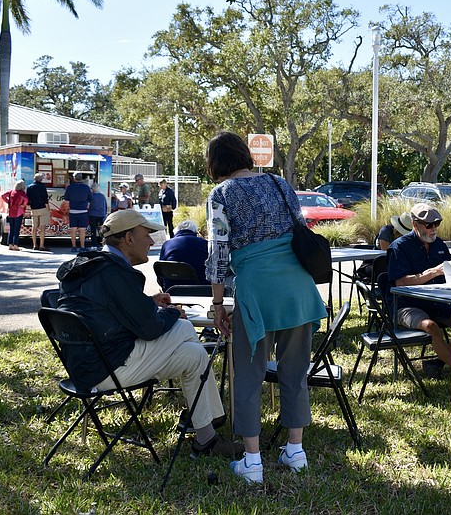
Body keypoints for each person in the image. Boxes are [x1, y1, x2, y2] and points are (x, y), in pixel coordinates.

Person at [56, 210, 238, 458]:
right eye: (147, 235)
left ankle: (206, 438)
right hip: (108, 368)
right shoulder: (115, 273)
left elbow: (108, 310)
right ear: (128, 238)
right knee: (184, 327)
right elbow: (150, 329)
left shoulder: (93, 266)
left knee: (194, 355)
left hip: (84, 367)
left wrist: (149, 302)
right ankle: (211, 416)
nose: (152, 242)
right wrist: (173, 312)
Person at [205, 130, 327, 484]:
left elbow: (218, 254)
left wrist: (217, 305)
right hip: (297, 287)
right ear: (245, 154)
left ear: (215, 162)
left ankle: (253, 460)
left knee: (248, 374)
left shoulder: (221, 193)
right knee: (294, 372)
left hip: (257, 289)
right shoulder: (278, 183)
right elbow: (301, 230)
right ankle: (295, 451)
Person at [386, 202, 451, 388]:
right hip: (408, 305)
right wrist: (432, 272)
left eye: (437, 224)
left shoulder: (439, 244)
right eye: (429, 225)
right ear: (415, 225)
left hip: (439, 303)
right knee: (432, 327)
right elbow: (400, 282)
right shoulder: (399, 247)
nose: (434, 229)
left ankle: (439, 361)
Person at [158, 220, 209, 290]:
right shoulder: (205, 243)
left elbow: (160, 270)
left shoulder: (167, 244)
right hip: (202, 288)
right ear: (195, 232)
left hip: (172, 289)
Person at [1, 180, 29, 250]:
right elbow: (26, 200)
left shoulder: (11, 192)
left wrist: (8, 202)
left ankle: (10, 244)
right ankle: (15, 245)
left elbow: (3, 196)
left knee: (11, 229)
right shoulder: (22, 193)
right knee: (17, 230)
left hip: (11, 212)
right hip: (18, 212)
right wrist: (23, 205)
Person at [26, 172, 51, 251]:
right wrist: (48, 208)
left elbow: (28, 199)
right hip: (43, 208)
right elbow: (45, 198)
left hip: (34, 209)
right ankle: (41, 245)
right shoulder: (42, 187)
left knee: (34, 227)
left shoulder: (29, 187)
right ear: (41, 179)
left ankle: (34, 245)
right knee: (42, 228)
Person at [88, 183, 108, 250]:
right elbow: (105, 206)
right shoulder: (102, 196)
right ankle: (102, 243)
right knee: (101, 230)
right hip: (101, 215)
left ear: (93, 189)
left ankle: (94, 244)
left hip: (93, 215)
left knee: (93, 230)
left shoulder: (91, 196)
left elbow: (90, 206)